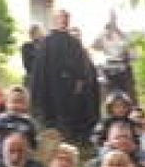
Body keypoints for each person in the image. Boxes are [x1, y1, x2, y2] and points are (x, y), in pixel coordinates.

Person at [29, 8, 99, 144]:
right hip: (50, 86)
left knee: (68, 116)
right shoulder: (46, 42)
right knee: (50, 115)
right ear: (54, 20)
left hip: (69, 87)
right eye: (61, 17)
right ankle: (51, 140)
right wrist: (39, 89)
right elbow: (39, 69)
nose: (64, 20)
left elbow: (81, 65)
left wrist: (79, 82)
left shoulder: (74, 42)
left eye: (66, 18)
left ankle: (67, 140)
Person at [92, 12, 135, 101]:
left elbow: (133, 54)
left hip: (124, 68)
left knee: (128, 95)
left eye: (114, 19)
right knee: (109, 95)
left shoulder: (124, 36)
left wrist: (127, 56)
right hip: (108, 68)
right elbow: (93, 47)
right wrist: (104, 34)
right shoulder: (102, 36)